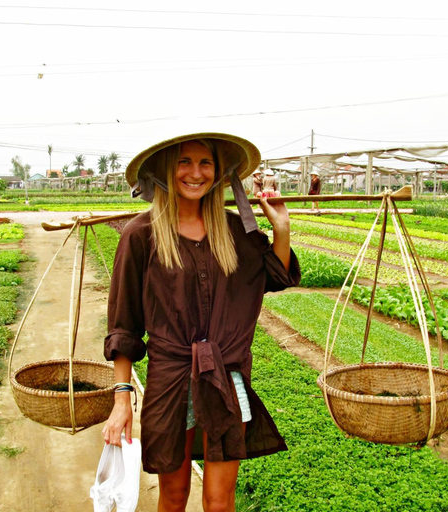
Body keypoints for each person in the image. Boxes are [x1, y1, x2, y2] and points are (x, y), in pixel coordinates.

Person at [102, 132, 300, 512]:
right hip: (171, 379)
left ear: (218, 171)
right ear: (165, 169)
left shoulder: (235, 232)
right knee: (173, 497)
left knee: (219, 500)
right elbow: (124, 325)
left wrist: (282, 228)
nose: (196, 173)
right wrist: (122, 398)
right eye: (184, 162)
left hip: (227, 377)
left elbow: (275, 276)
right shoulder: (140, 235)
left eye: (205, 163)